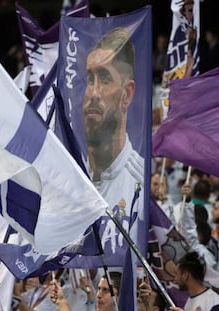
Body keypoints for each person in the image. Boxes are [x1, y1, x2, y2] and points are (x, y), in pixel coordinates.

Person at [83, 27, 144, 216]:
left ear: (127, 94)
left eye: (105, 78)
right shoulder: (69, 176)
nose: (93, 93)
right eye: (89, 80)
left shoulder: (142, 182)